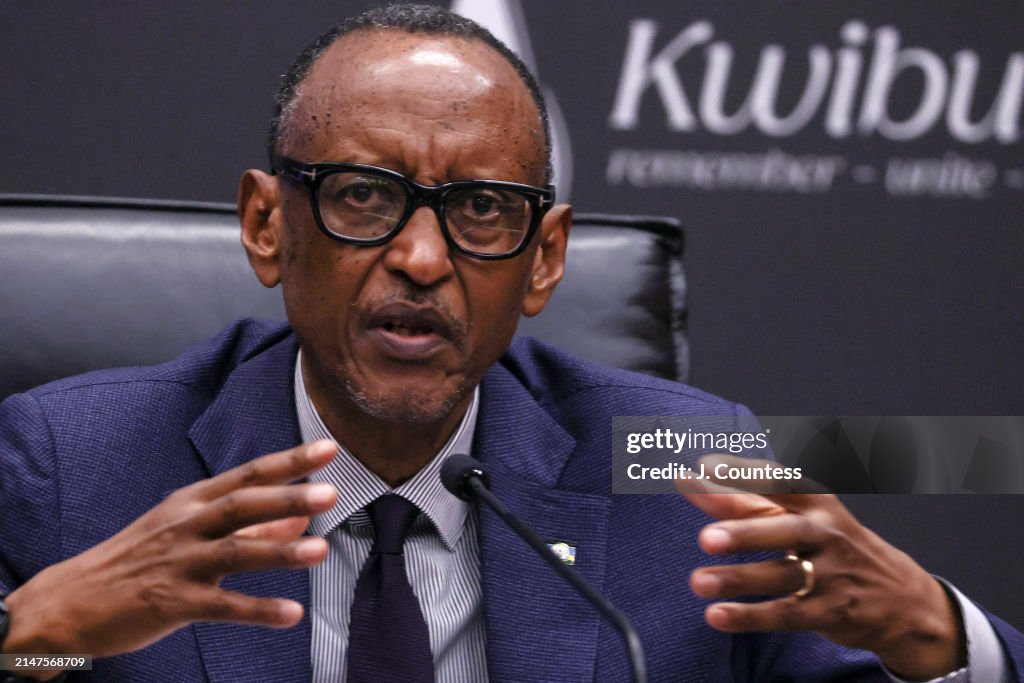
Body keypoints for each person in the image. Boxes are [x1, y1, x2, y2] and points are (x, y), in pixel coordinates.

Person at [0, 5, 1021, 682]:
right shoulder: (74, 461)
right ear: (268, 225)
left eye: (481, 210)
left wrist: (933, 637)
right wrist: (30, 647)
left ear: (544, 259)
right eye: (365, 194)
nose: (419, 257)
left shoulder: (690, 461)